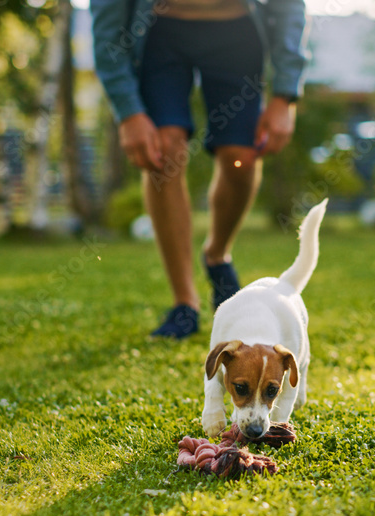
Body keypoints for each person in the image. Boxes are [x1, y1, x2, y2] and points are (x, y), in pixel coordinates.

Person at [91, 0, 309, 339]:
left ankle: (216, 255)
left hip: (236, 32)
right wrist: (129, 113)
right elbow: (107, 23)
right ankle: (185, 304)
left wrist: (284, 94)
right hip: (160, 33)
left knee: (241, 158)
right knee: (163, 150)